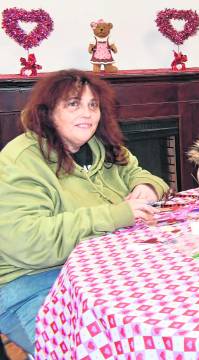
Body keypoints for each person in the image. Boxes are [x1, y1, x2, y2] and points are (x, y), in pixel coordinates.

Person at [0, 69, 168, 354]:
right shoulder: (20, 160)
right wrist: (118, 213)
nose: (87, 113)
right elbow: (26, 242)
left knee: (158, 320)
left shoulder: (101, 145)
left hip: (104, 272)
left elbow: (142, 175)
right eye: (74, 104)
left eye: (93, 105)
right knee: (90, 349)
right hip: (31, 285)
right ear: (47, 112)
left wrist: (147, 186)